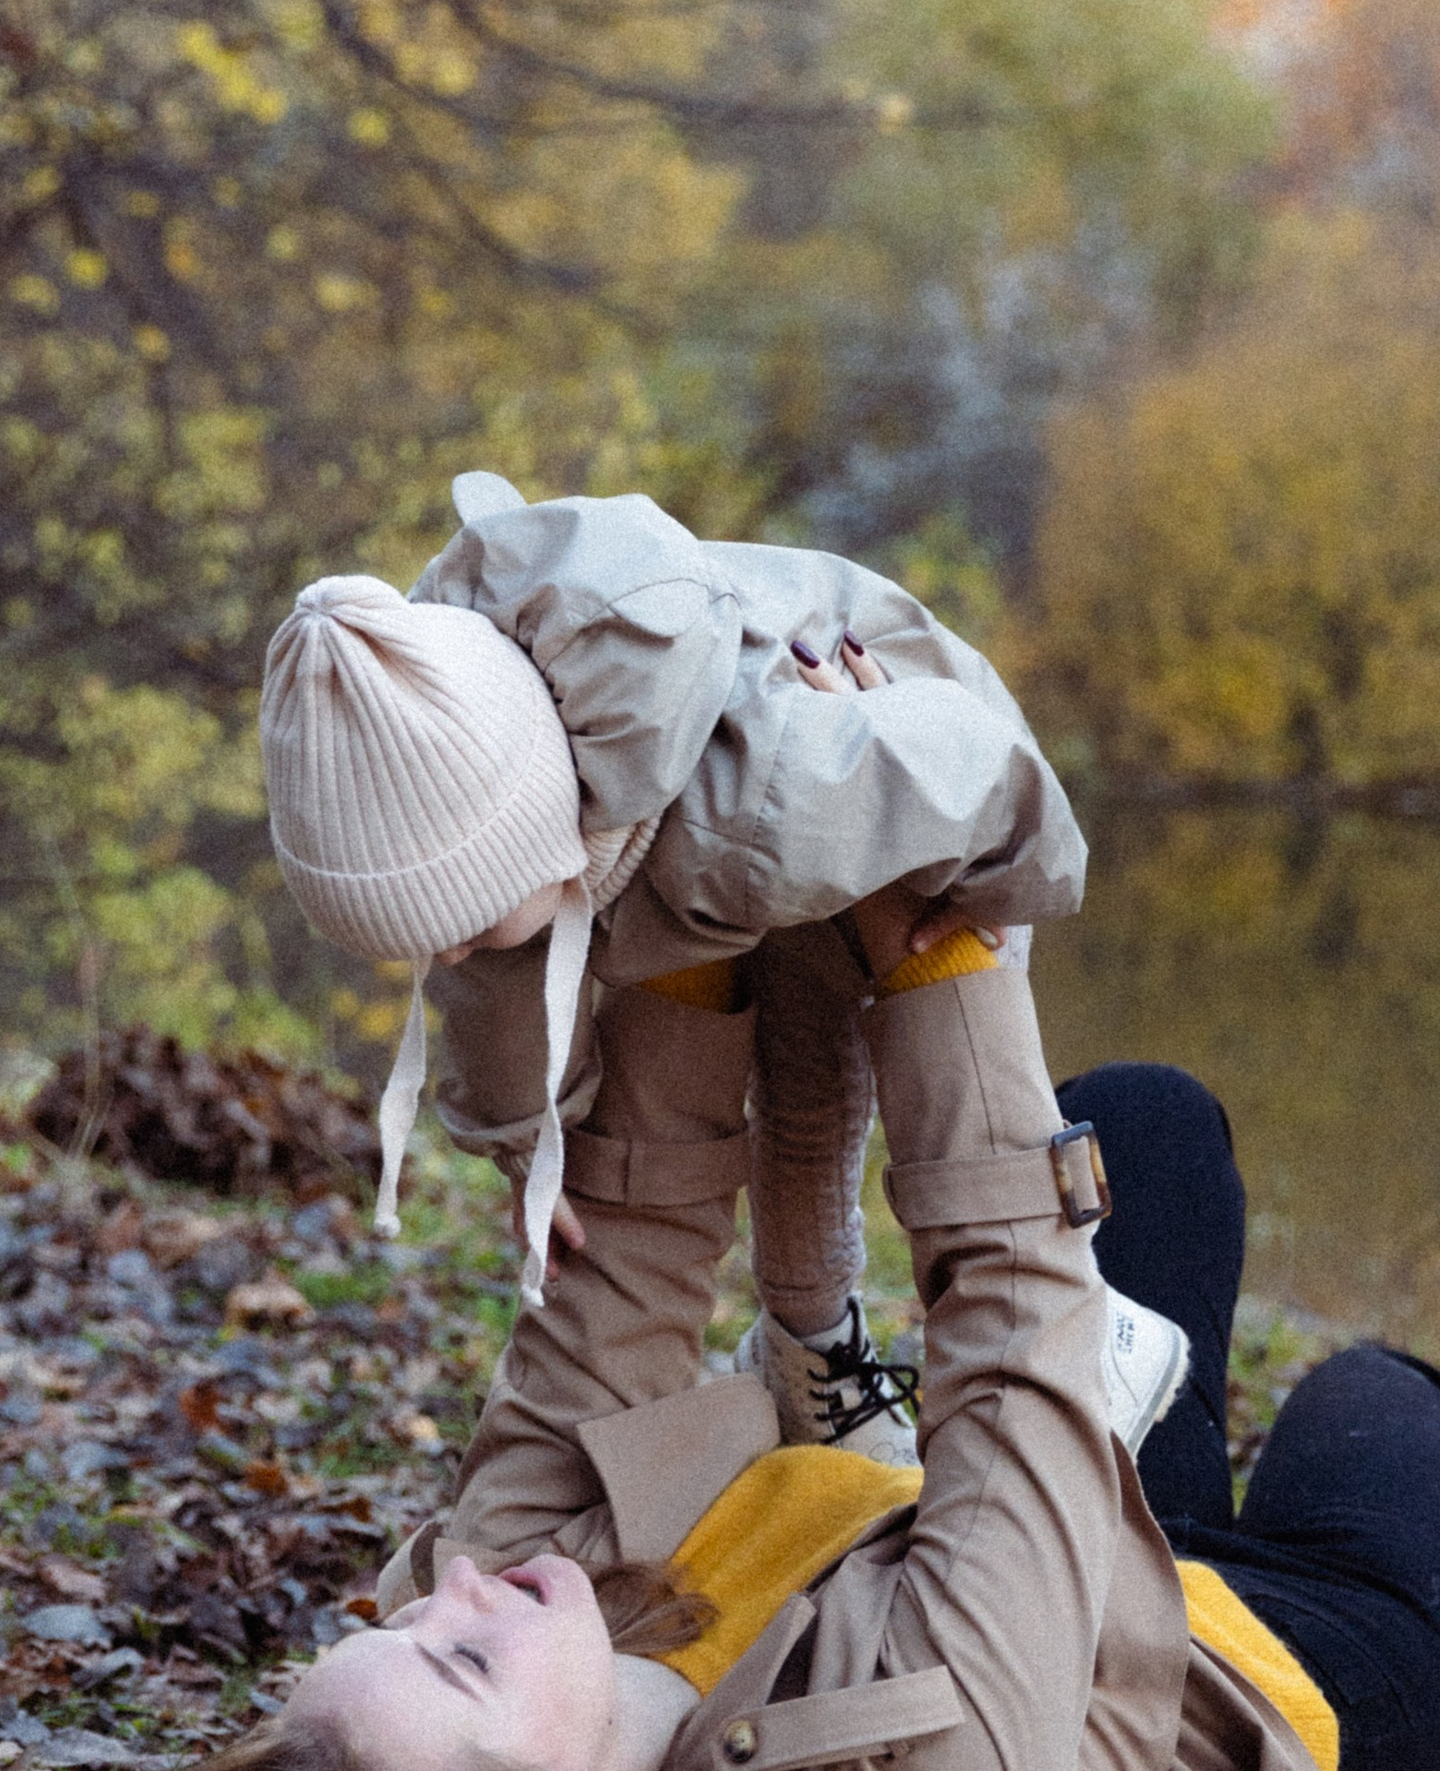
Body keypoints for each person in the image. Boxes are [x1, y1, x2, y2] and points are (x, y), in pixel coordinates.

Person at [133, 901, 1440, 1771]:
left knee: (1148, 1130)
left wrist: (692, 925)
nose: (458, 1586)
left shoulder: (518, 1633)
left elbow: (610, 1298)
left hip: (1094, 1592)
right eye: (461, 1652)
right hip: (1323, 1696)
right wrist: (943, 959)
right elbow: (1022, 1372)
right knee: (1368, 1397)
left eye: (401, 1619)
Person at [261, 477, 1178, 1459]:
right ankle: (805, 1347)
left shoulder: (771, 811)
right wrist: (532, 1151)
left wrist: (996, 883)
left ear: (539, 839)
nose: (444, 949)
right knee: (750, 1052)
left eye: (462, 916)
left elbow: (981, 769)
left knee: (878, 1052)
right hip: (697, 827)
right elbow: (491, 1000)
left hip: (908, 768)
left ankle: (1063, 1315)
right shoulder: (487, 843)